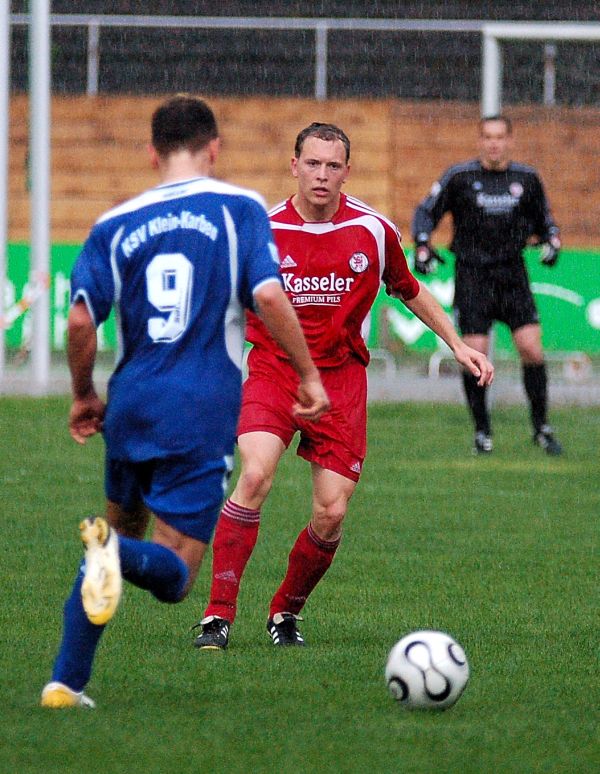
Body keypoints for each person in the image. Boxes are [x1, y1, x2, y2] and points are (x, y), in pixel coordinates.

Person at [40, 96, 329, 708]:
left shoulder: (114, 224)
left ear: (152, 153)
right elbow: (268, 295)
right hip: (198, 408)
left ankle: (66, 683)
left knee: (121, 537)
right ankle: (108, 557)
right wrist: (308, 373)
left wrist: (84, 394)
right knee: (174, 576)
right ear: (214, 148)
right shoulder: (239, 208)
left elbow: (80, 321)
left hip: (130, 402)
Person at [192, 122, 494, 650]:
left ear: (346, 172)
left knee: (331, 512)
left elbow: (409, 289)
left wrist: (456, 344)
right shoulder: (262, 230)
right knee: (255, 474)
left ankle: (285, 612)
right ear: (294, 166)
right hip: (276, 370)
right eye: (312, 163)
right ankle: (218, 614)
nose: (322, 175)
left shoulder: (373, 231)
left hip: (340, 378)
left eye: (333, 166)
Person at [412, 114, 563, 456]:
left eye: (500, 137)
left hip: (512, 275)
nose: (494, 143)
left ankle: (541, 427)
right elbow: (425, 212)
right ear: (480, 141)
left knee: (531, 349)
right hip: (473, 276)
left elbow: (546, 222)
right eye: (488, 137)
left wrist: (553, 241)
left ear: (510, 140)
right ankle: (482, 432)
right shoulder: (460, 177)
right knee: (474, 353)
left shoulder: (527, 179)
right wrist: (422, 244)